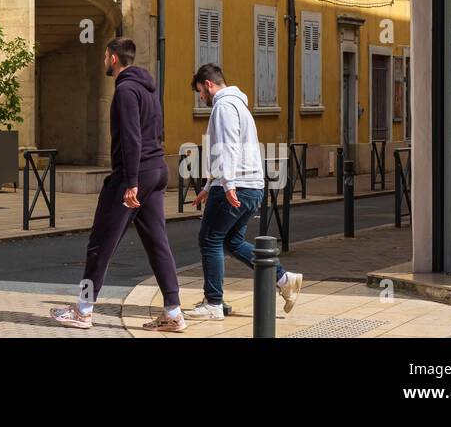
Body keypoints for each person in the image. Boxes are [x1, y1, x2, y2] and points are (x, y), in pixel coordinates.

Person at [51, 38, 183, 332]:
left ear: (113, 58)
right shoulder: (149, 89)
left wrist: (132, 182)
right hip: (157, 170)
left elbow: (132, 138)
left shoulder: (125, 90)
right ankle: (173, 312)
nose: (104, 61)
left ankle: (83, 310)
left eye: (105, 56)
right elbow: (155, 132)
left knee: (100, 242)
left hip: (132, 176)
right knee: (157, 242)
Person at [186, 63, 303, 319]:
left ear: (208, 84)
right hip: (252, 186)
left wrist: (226, 184)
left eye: (200, 93)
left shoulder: (224, 105)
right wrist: (208, 186)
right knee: (232, 241)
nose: (202, 98)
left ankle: (214, 304)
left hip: (236, 184)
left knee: (209, 239)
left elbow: (228, 147)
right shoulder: (240, 105)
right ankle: (283, 279)